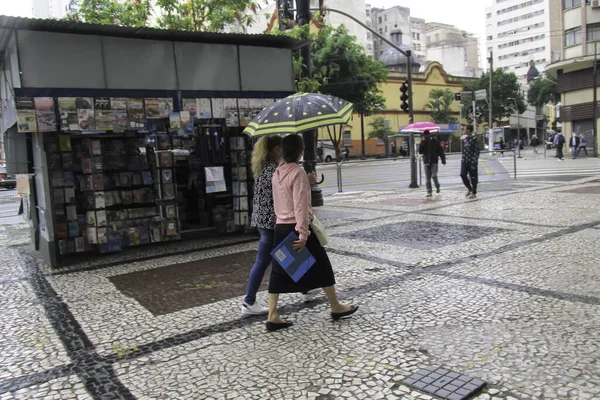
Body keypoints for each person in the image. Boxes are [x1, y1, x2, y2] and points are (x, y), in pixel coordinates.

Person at [267, 134, 358, 332]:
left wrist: (306, 183)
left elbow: (284, 198)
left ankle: (272, 314)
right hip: (296, 227)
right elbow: (299, 206)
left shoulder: (277, 173)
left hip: (281, 228)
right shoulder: (297, 173)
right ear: (300, 151)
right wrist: (303, 234)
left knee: (278, 272)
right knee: (323, 266)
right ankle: (336, 306)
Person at [241, 135, 283, 315]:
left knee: (284, 257)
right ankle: (249, 301)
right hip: (270, 223)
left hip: (262, 220)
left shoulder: (262, 168)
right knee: (264, 261)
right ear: (276, 149)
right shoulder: (273, 170)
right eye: (281, 147)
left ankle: (307, 285)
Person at [418, 130, 446, 197]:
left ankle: (437, 186)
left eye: (427, 134)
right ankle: (429, 192)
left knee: (434, 175)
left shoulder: (434, 140)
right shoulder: (423, 141)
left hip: (434, 161)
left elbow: (440, 150)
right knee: (428, 178)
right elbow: (420, 152)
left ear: (429, 134)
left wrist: (443, 159)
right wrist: (421, 144)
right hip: (426, 161)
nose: (426, 136)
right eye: (425, 135)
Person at [460, 125, 480, 199]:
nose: (464, 131)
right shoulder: (465, 138)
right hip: (464, 161)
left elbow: (477, 151)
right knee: (462, 174)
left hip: (472, 161)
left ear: (469, 130)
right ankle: (470, 189)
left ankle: (474, 192)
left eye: (465, 129)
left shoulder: (474, 139)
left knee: (473, 177)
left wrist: (474, 162)